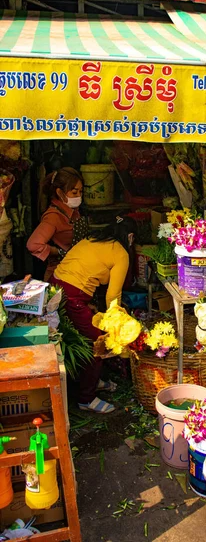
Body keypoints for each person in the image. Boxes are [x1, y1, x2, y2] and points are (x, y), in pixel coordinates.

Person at [50, 215, 135, 414]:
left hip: (55, 287)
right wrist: (117, 325)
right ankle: (86, 399)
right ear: (130, 237)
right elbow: (113, 296)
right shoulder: (121, 253)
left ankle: (92, 381)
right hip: (72, 297)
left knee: (82, 339)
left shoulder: (93, 238)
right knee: (98, 343)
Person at [27, 167, 88, 280]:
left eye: (81, 192)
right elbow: (33, 244)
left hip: (77, 271)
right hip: (60, 275)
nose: (79, 196)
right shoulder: (53, 217)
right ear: (60, 193)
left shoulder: (74, 212)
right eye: (74, 192)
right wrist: (58, 252)